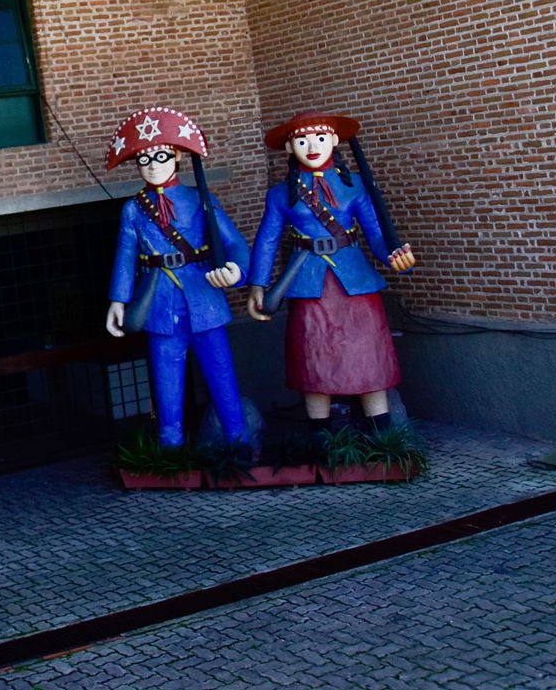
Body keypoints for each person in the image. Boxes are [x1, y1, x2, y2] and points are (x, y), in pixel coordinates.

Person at [245, 111, 416, 438]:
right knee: (314, 357)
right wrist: (257, 285)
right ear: (289, 148)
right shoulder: (280, 194)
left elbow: (376, 232)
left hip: (355, 280)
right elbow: (267, 240)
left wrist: (394, 255)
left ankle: (383, 438)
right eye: (302, 141)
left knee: (368, 354)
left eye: (320, 138)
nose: (312, 147)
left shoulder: (355, 187)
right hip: (308, 282)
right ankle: (322, 441)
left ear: (334, 141)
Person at [104, 107, 251, 449]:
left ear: (178, 156)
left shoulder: (200, 198)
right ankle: (171, 452)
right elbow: (125, 257)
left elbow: (234, 243)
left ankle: (240, 447)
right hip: (158, 302)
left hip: (204, 298)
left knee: (223, 379)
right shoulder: (134, 208)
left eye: (161, 156)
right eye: (144, 159)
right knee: (166, 386)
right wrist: (118, 300)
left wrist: (236, 270)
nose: (153, 165)